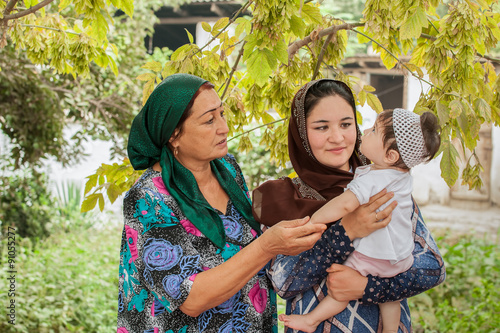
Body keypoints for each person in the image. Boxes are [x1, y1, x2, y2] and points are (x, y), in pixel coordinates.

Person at [116, 73, 331, 332]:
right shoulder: (148, 199)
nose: (224, 127)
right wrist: (267, 246)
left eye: (221, 114)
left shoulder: (227, 169)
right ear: (173, 135)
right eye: (209, 120)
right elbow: (190, 297)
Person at [252, 79, 446, 332]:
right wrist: (346, 231)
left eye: (346, 124)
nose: (338, 137)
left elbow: (433, 268)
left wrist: (368, 288)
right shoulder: (279, 198)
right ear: (301, 133)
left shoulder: (385, 182)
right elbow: (284, 282)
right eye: (322, 127)